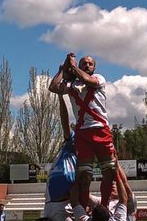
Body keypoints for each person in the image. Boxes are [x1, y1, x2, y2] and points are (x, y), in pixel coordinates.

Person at [48, 52, 118, 209]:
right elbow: (53, 87)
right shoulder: (71, 86)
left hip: (101, 130)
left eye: (90, 64)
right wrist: (62, 70)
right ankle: (84, 211)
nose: (87, 66)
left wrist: (72, 66)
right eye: (84, 63)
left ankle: (104, 207)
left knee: (109, 172)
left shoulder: (99, 79)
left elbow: (87, 80)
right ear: (79, 66)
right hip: (82, 134)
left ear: (94, 67)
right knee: (84, 176)